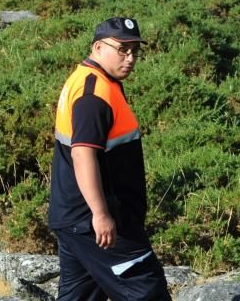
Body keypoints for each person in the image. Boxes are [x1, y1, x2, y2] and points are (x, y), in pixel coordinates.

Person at [49, 17, 170, 301]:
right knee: (146, 290)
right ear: (98, 47)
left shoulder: (94, 80)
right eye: (122, 49)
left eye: (135, 51)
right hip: (96, 223)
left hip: (74, 219)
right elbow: (82, 153)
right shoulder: (94, 93)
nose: (130, 58)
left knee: (79, 296)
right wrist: (101, 214)